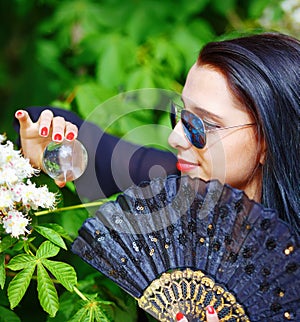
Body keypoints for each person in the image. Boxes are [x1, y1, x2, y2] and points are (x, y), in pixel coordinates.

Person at [15, 31, 300, 321]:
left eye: (203, 125)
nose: (176, 137)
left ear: (267, 142)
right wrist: (51, 143)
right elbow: (48, 121)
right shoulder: (173, 186)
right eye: (180, 115)